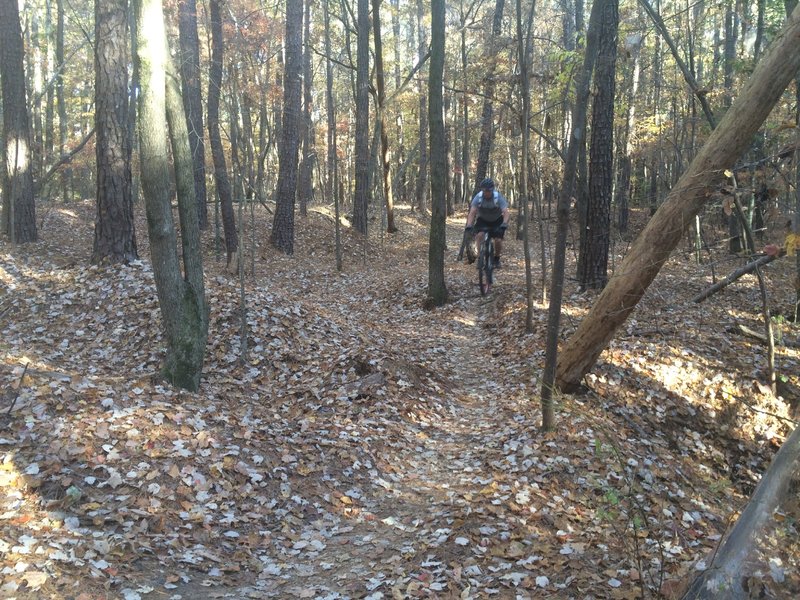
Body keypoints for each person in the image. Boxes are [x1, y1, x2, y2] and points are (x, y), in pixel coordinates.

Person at [465, 178, 510, 268]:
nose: (487, 192)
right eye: (484, 190)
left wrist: (504, 224)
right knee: (479, 236)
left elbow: (506, 212)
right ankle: (480, 258)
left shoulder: (498, 197)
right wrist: (469, 225)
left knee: (498, 240)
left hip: (497, 220)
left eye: (489, 190)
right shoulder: (478, 197)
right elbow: (472, 212)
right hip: (483, 220)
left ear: (492, 190)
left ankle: (496, 258)